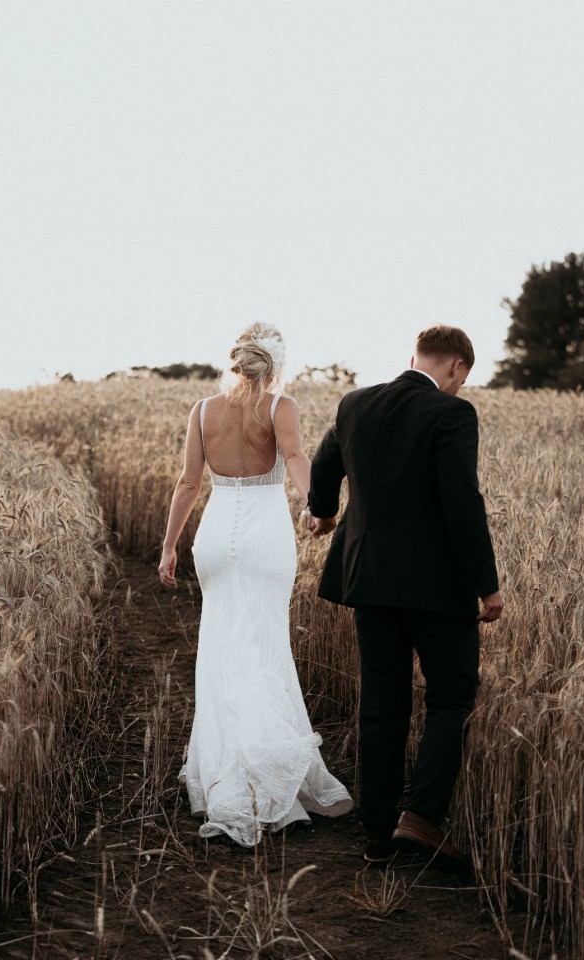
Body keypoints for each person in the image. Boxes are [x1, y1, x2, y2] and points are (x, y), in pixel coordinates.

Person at [305, 325, 503, 870]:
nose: (461, 386)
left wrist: (324, 512)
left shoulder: (355, 403)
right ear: (457, 366)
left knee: (382, 704)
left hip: (369, 580)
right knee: (451, 697)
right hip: (437, 586)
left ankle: (376, 835)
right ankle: (421, 817)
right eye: (464, 377)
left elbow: (324, 462)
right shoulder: (452, 413)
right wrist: (486, 584)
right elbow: (462, 501)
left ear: (414, 356)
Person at [158, 323, 352, 846]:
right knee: (264, 647)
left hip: (215, 536)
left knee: (221, 648)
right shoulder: (280, 406)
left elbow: (188, 482)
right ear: (275, 366)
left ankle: (224, 775)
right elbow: (296, 458)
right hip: (265, 537)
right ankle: (266, 776)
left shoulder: (202, 410)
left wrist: (169, 546)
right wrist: (318, 507)